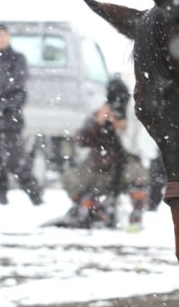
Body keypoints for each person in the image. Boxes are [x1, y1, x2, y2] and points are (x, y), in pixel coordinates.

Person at [57, 76, 149, 228]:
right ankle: (92, 209)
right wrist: (97, 123)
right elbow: (80, 140)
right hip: (98, 167)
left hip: (125, 167)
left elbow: (138, 148)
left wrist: (124, 130)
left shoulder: (133, 116)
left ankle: (135, 217)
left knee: (140, 176)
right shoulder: (100, 112)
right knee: (71, 178)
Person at [0, 22, 43, 205]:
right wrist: (2, 98)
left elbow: (19, 89)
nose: (2, 38)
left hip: (11, 118)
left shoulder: (18, 59)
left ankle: (35, 195)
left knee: (15, 159)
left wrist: (1, 100)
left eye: (5, 35)